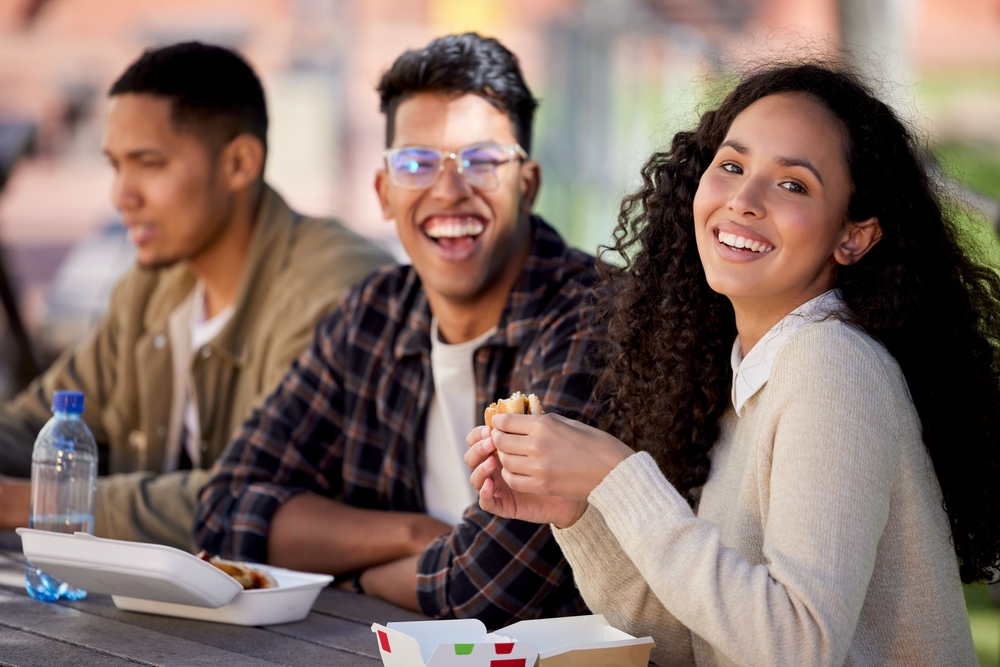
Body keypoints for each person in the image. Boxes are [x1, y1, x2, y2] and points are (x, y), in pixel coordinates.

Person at [467, 63, 999, 665]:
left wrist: (619, 474)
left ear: (853, 237)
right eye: (732, 166)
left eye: (793, 184)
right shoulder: (751, 368)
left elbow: (798, 646)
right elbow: (694, 641)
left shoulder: (832, 368)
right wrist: (582, 512)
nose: (744, 201)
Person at [193, 33, 596, 626]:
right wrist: (415, 534)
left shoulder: (593, 321)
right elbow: (224, 511)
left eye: (482, 162)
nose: (449, 190)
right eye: (416, 163)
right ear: (384, 192)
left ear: (528, 184)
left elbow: (489, 589)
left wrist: (349, 577)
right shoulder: (373, 315)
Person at [0, 42, 392, 550]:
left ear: (239, 163)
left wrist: (21, 502)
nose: (122, 195)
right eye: (116, 166)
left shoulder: (335, 289)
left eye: (149, 164)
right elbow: (41, 423)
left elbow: (258, 496)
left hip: (315, 624)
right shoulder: (152, 286)